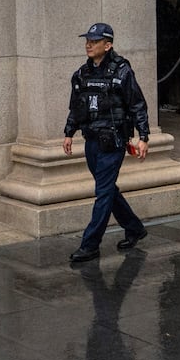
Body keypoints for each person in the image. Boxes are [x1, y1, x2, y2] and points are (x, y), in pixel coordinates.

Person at [62, 23, 150, 264]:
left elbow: (137, 105)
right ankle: (134, 228)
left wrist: (143, 137)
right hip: (91, 141)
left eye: (94, 40)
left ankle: (90, 245)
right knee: (108, 189)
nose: (88, 44)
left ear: (107, 45)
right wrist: (69, 132)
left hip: (113, 142)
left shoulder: (122, 71)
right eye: (87, 40)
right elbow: (76, 107)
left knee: (102, 192)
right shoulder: (81, 73)